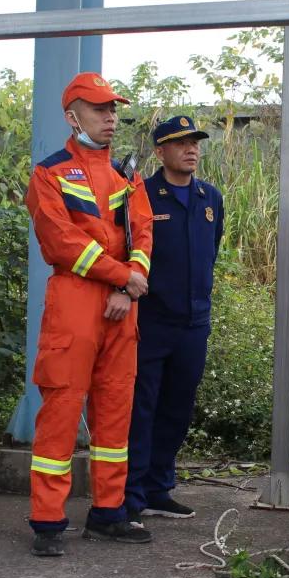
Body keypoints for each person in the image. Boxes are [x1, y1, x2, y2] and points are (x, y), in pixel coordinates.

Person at [25, 71, 155, 556]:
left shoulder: (127, 175)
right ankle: (47, 522)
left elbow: (143, 233)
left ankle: (108, 513)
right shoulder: (49, 173)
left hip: (122, 306)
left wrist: (131, 286)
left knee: (115, 411)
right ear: (71, 116)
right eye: (100, 109)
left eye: (113, 109)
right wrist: (120, 278)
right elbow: (61, 243)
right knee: (61, 409)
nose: (110, 117)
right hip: (76, 303)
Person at [124, 116, 223, 526]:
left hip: (193, 323)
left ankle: (159, 488)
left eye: (195, 142)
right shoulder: (142, 195)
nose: (191, 150)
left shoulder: (209, 198)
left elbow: (211, 252)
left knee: (178, 407)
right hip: (151, 321)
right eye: (180, 143)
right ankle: (133, 493)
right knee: (141, 407)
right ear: (160, 151)